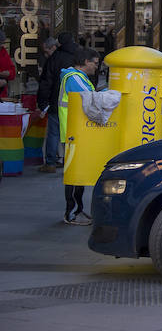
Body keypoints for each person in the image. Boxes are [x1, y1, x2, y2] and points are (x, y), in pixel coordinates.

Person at [58, 47, 100, 225]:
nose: (96, 67)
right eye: (95, 63)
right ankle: (72, 213)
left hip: (76, 132)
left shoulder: (78, 77)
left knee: (78, 174)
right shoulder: (74, 78)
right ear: (86, 62)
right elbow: (92, 99)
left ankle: (78, 210)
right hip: (73, 133)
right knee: (75, 176)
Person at [37, 32, 79, 172]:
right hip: (76, 101)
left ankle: (50, 163)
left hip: (57, 101)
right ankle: (71, 161)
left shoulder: (55, 58)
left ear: (59, 44)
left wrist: (43, 103)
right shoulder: (80, 55)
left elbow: (46, 82)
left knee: (54, 133)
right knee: (72, 132)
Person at [0, 30, 15, 99]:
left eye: (2, 43)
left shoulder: (3, 52)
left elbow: (13, 72)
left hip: (2, 95)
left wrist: (8, 73)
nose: (2, 45)